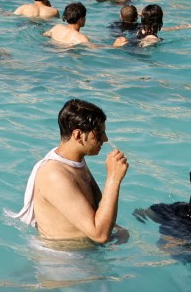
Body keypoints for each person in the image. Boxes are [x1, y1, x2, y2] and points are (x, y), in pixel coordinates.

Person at [9, 98, 129, 245]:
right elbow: (100, 234)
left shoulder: (76, 162)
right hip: (61, 261)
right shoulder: (54, 174)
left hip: (83, 256)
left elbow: (97, 209)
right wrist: (113, 178)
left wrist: (118, 230)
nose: (105, 139)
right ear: (78, 135)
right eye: (99, 134)